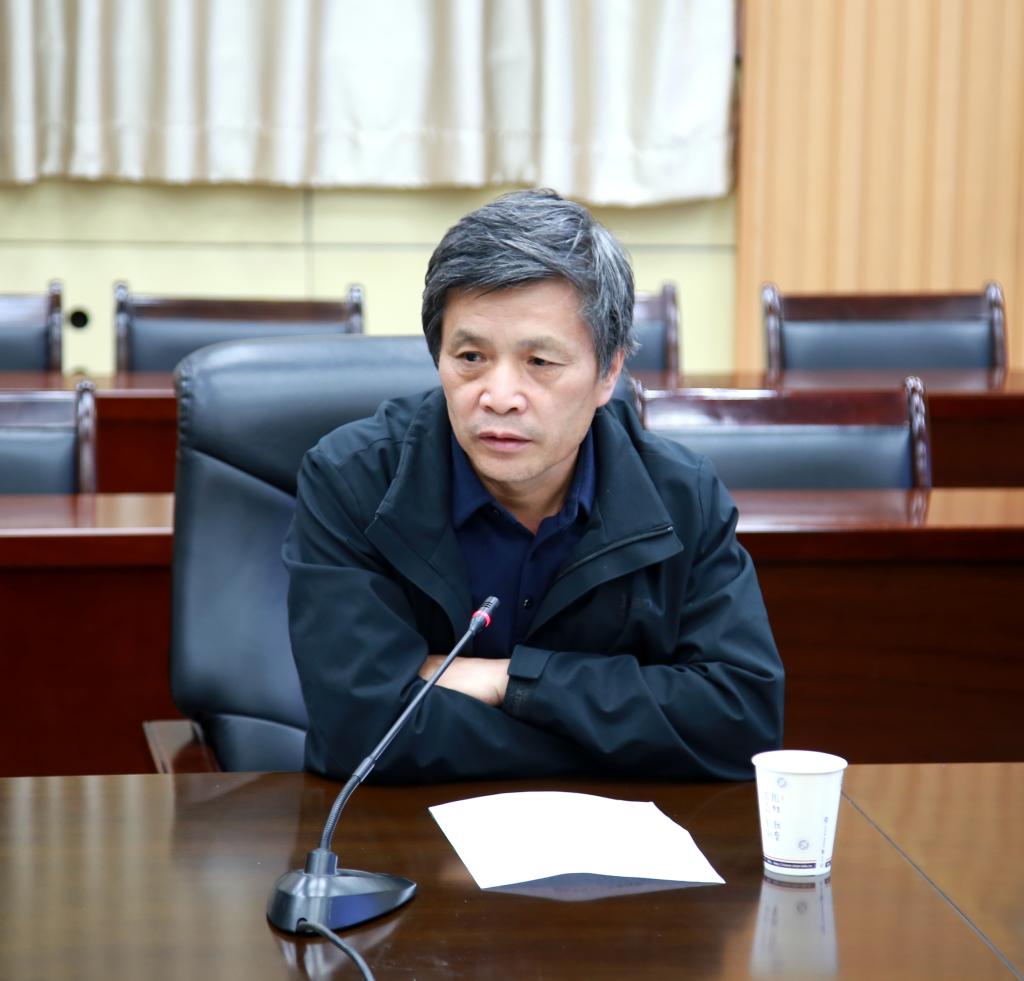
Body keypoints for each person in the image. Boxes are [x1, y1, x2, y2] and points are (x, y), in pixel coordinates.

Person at [284, 188, 783, 783]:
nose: (499, 397)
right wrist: (622, 735)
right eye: (471, 357)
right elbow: (360, 730)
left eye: (540, 363)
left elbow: (740, 720)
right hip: (402, 831)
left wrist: (512, 681)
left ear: (608, 372)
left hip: (613, 834)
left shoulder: (680, 496)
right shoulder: (353, 481)